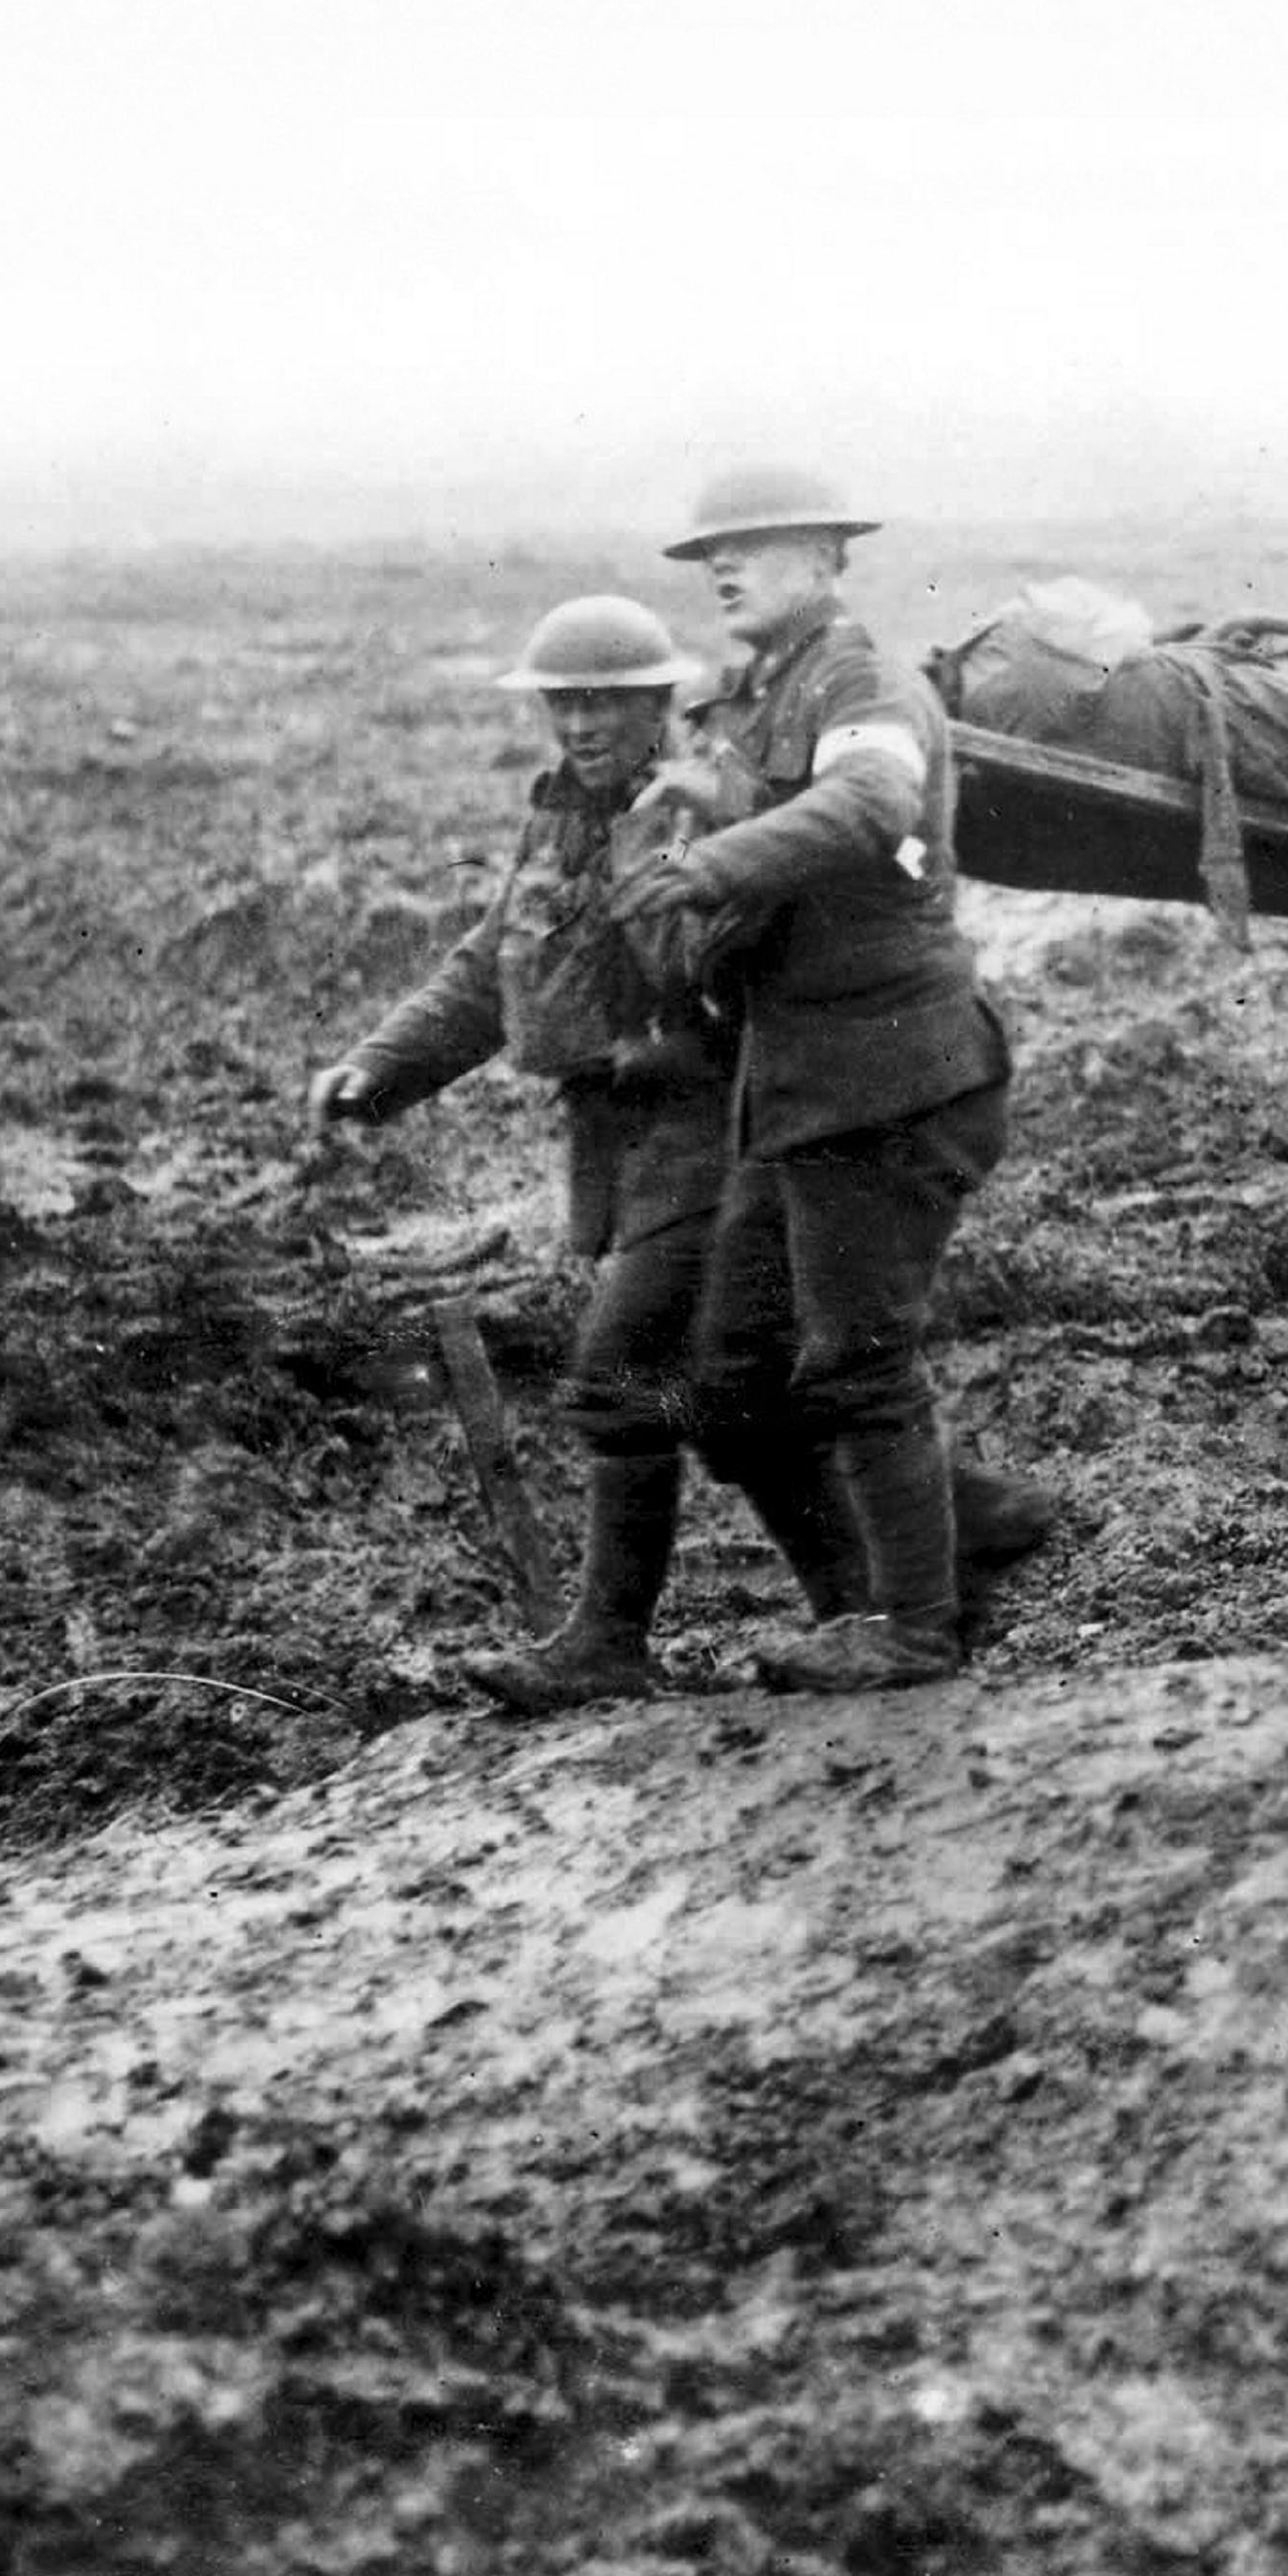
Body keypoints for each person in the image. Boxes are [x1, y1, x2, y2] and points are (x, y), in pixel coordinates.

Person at [603, 466, 1017, 1695]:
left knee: (857, 1360)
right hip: (799, 1093)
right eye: (711, 555)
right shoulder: (762, 697)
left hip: (891, 1078)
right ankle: (890, 1589)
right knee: (730, 1388)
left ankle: (920, 1622)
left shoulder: (858, 681)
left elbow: (877, 794)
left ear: (828, 561)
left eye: (754, 548)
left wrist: (714, 859)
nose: (724, 569)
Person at [309, 595, 736, 1710]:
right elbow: (492, 964)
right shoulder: (556, 815)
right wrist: (382, 1068)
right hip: (620, 1141)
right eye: (566, 701)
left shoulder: (699, 808)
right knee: (731, 1402)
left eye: (609, 700)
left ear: (660, 704)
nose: (584, 723)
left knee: (620, 1369)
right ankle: (909, 1584)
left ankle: (609, 1643)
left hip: (713, 1128)